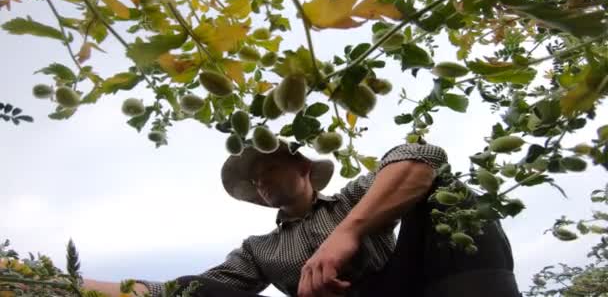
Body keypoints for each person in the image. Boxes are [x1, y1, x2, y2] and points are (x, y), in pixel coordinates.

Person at [84, 140, 520, 297]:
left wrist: (348, 231)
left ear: (303, 169)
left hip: (404, 288)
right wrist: (68, 284)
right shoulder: (259, 250)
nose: (261, 182)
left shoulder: (353, 197)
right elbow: (178, 291)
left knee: (449, 193)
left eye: (268, 168)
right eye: (255, 180)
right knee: (199, 290)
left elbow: (423, 158)